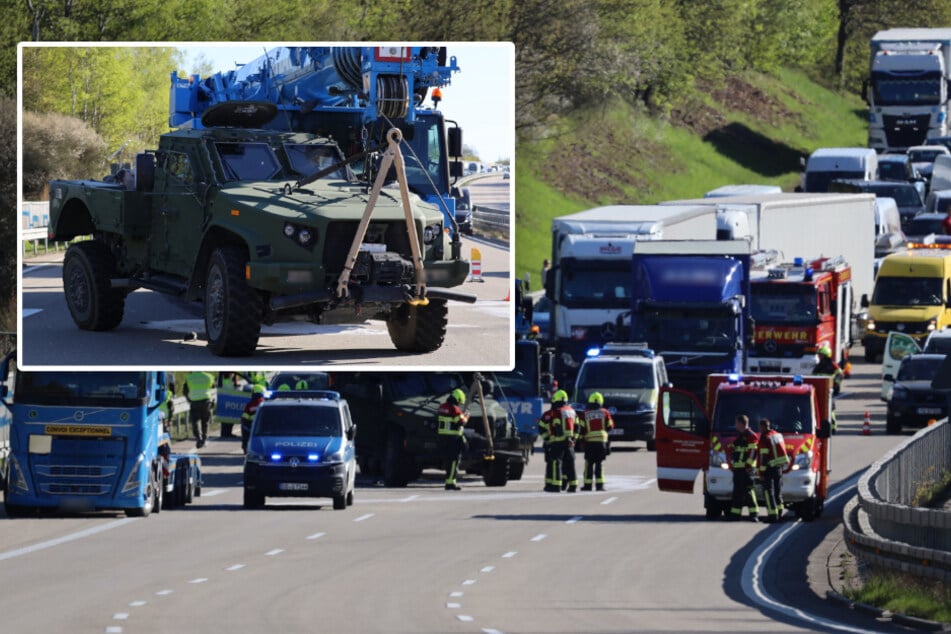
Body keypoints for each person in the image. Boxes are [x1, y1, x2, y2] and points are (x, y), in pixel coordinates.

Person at [538, 389, 578, 492]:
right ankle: (573, 485)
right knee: (570, 464)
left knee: (556, 463)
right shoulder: (572, 411)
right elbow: (577, 427)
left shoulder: (556, 412)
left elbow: (556, 425)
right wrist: (573, 439)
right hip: (569, 443)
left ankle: (556, 485)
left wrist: (548, 439)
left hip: (557, 442)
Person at [577, 392, 614, 491]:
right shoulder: (605, 413)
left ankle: (587, 485)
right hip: (601, 442)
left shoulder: (585, 414)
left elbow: (581, 428)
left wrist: (581, 440)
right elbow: (610, 426)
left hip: (589, 442)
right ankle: (600, 485)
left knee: (589, 464)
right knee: (599, 464)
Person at [757, 418, 790, 524]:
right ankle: (779, 512)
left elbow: (764, 457)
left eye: (760, 427)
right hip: (778, 467)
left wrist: (761, 472)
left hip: (769, 468)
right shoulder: (776, 434)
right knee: (777, 491)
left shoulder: (764, 438)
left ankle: (772, 515)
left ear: (762, 427)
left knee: (768, 492)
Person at [436, 388, 469, 490]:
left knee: (448, 461)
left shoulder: (442, 407)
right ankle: (450, 483)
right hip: (453, 439)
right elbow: (461, 422)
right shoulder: (454, 409)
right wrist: (466, 416)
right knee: (454, 461)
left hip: (442, 438)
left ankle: (449, 481)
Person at [729, 414, 760, 522]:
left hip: (746, 469)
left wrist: (749, 465)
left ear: (741, 423)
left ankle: (754, 514)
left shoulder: (751, 436)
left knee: (748, 491)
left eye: (736, 423)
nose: (735, 425)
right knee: (737, 492)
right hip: (738, 469)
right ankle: (735, 514)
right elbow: (736, 451)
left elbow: (753, 451)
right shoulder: (740, 436)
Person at [184, 371, 216, 448]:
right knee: (205, 422)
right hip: (206, 402)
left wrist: (189, 399)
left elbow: (185, 390)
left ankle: (198, 438)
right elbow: (214, 386)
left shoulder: (189, 377)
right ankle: (204, 439)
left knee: (195, 421)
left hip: (194, 402)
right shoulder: (209, 376)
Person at [240, 383, 267, 453]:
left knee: (246, 435)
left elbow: (244, 416)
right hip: (262, 426)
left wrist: (245, 424)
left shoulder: (250, 404)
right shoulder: (266, 403)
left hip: (250, 424)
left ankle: (245, 447)